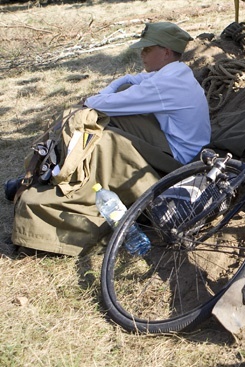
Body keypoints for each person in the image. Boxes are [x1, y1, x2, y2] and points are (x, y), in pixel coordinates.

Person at [6, 22, 211, 256]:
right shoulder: (175, 73)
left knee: (101, 132)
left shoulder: (165, 83)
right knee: (107, 118)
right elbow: (129, 80)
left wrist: (89, 101)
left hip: (180, 158)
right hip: (183, 146)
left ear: (165, 52)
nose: (141, 53)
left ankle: (64, 179)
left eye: (147, 49)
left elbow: (103, 104)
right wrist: (102, 97)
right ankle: (60, 168)